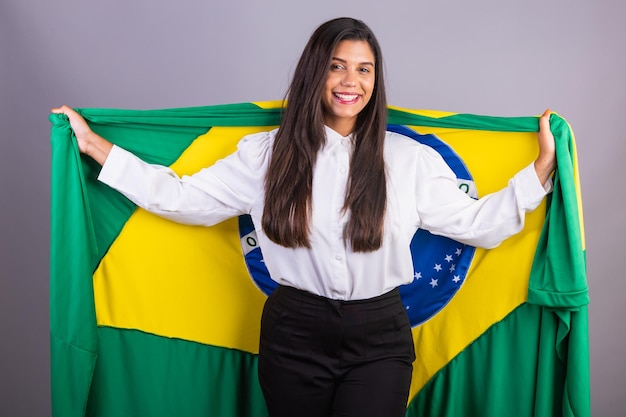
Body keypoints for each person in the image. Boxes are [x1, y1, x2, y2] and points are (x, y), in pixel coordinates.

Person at [52, 17, 555, 417]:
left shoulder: (407, 160)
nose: (350, 82)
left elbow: (479, 224)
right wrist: (98, 148)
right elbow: (182, 198)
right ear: (315, 72)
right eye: (337, 66)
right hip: (294, 330)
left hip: (380, 333)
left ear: (376, 80)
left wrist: (540, 169)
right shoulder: (265, 156)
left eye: (364, 69)